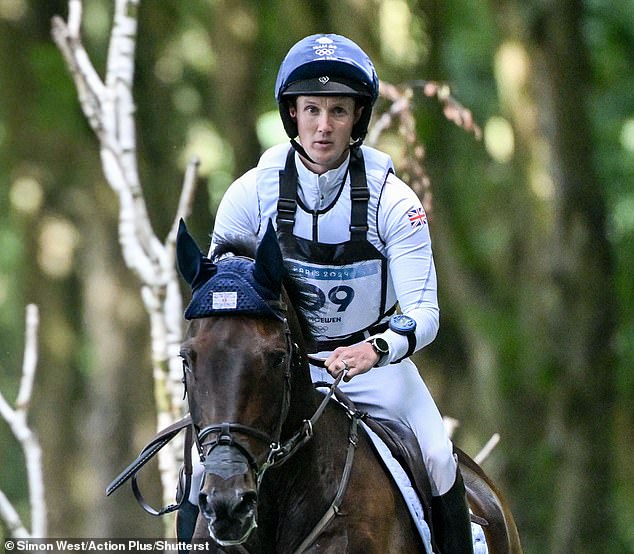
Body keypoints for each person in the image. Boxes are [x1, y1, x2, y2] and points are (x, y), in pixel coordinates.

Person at [179, 33, 474, 553]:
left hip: (373, 368)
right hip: (279, 370)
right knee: (206, 460)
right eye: (311, 109)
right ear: (292, 114)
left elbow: (424, 312)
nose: (323, 126)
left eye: (338, 111)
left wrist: (374, 349)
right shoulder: (250, 194)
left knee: (436, 455)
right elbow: (226, 300)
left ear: (357, 119)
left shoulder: (393, 200)